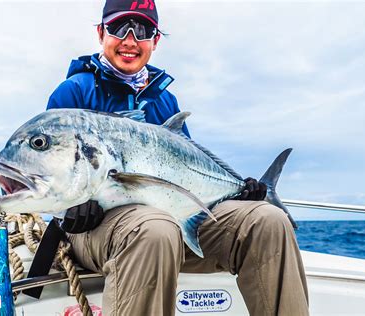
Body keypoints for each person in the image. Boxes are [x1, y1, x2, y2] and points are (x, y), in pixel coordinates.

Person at [45, 1, 309, 315]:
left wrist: (239, 192)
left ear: (154, 41)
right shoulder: (73, 93)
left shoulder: (165, 100)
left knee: (267, 221)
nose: (130, 40)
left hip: (170, 223)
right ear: (101, 33)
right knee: (154, 229)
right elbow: (48, 171)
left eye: (142, 30)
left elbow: (188, 171)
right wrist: (69, 207)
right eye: (119, 28)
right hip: (94, 232)